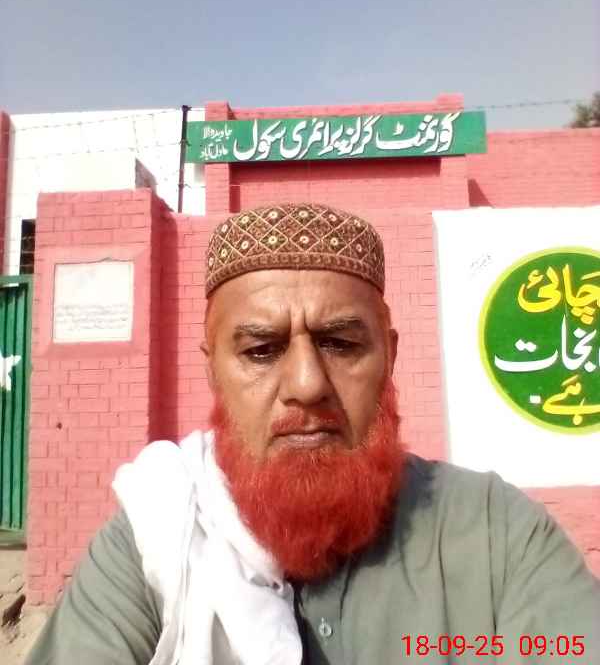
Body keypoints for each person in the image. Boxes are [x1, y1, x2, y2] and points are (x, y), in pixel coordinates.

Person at [26, 202, 600, 665]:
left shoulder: (496, 535)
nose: (306, 385)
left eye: (340, 344)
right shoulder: (159, 534)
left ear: (389, 357)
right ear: (213, 371)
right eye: (261, 350)